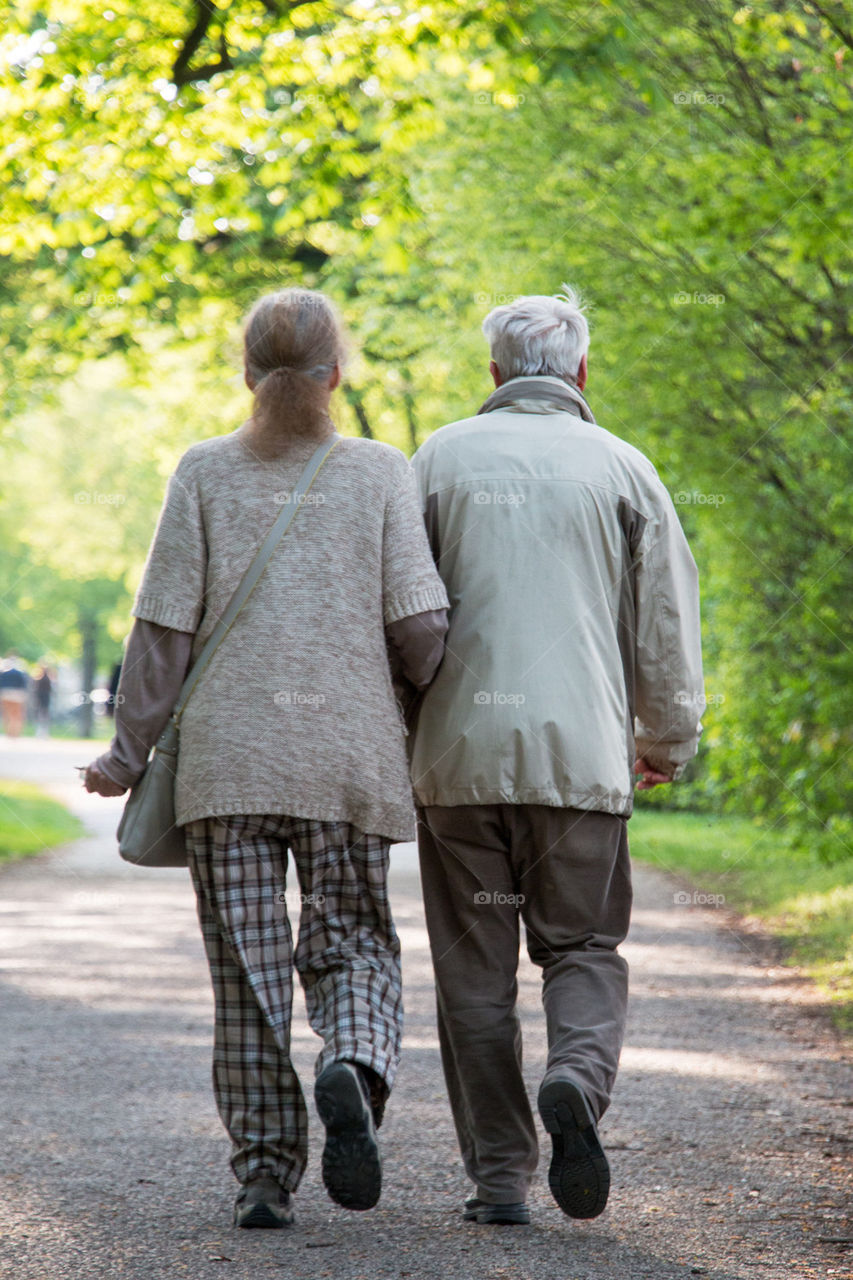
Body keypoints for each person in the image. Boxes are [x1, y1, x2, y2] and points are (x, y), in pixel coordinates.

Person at [84, 287, 449, 1229]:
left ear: (246, 372)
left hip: (226, 770)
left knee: (246, 978)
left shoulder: (202, 472)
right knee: (354, 943)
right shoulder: (378, 472)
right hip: (345, 764)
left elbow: (161, 631)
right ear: (338, 372)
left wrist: (127, 755)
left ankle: (262, 1172)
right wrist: (422, 700)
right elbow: (420, 628)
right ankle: (352, 1068)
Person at [409, 286, 704, 1226]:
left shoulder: (438, 460)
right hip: (580, 759)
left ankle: (499, 1179)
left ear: (492, 374)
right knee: (581, 947)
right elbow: (664, 622)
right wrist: (666, 740)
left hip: (457, 763)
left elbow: (399, 616)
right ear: (581, 372)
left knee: (473, 972)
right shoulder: (623, 467)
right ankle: (575, 1077)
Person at [0, 653, 30, 737]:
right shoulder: (20, 673)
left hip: (5, 694)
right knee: (16, 715)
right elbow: (23, 685)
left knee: (7, 714)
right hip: (17, 695)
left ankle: (8, 732)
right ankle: (15, 733)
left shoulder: (4, 673)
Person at [33, 662, 54, 737]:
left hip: (43, 698)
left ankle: (42, 731)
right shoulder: (47, 679)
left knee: (42, 714)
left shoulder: (40, 679)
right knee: (44, 714)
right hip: (44, 698)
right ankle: (43, 731)